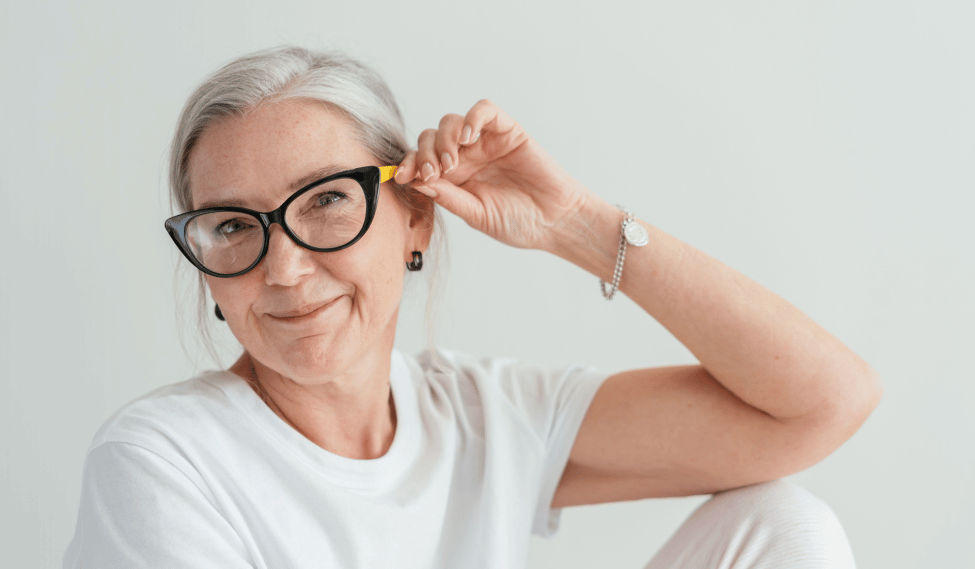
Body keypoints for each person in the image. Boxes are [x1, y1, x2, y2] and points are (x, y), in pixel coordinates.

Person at [63, 46, 881, 569]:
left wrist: (579, 227)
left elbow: (817, 406)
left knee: (782, 524)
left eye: (324, 204)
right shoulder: (160, 460)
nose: (282, 267)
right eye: (233, 226)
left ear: (413, 217)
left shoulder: (479, 417)